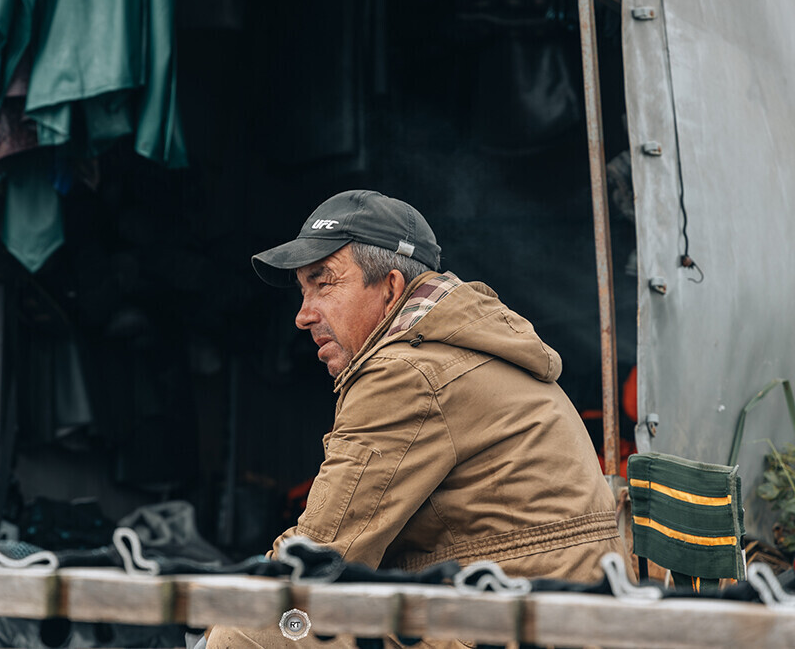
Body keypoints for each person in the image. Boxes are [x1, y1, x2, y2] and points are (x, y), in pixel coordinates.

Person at [207, 189, 628, 649]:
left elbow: (322, 552)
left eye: (323, 283)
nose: (303, 316)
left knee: (250, 628)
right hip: (547, 611)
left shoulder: (407, 372)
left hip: (514, 623)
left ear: (390, 289)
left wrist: (225, 612)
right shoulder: (456, 350)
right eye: (302, 291)